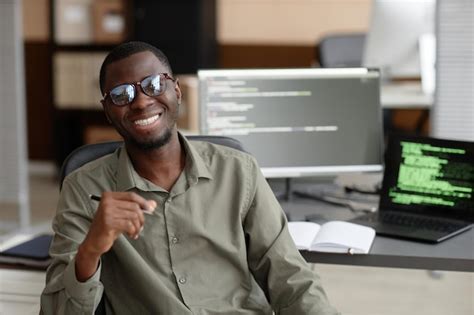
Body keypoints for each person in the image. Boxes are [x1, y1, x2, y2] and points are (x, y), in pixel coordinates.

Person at [41, 41, 340, 315]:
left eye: (154, 84)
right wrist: (91, 248)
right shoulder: (83, 189)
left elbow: (291, 278)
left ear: (177, 91)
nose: (142, 102)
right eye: (122, 94)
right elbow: (57, 311)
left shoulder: (239, 171)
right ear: (108, 111)